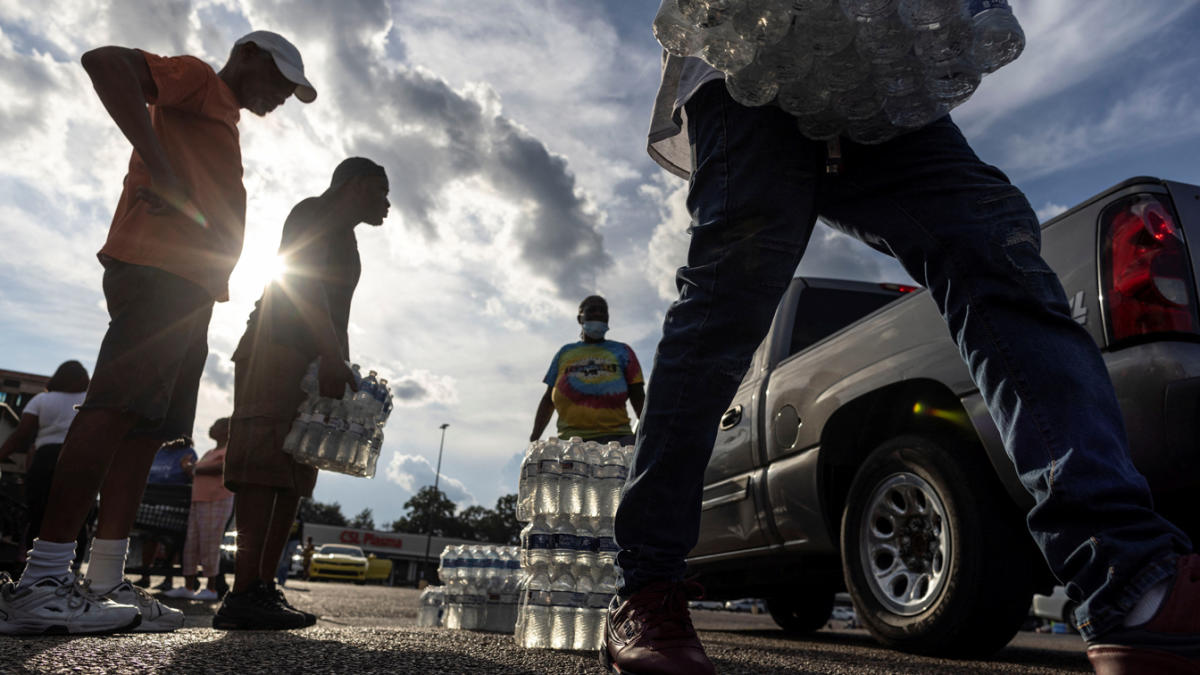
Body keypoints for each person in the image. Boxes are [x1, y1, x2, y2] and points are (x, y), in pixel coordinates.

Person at [600, 33, 1199, 675]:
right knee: (725, 301)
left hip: (875, 72)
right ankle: (647, 585)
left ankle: (1129, 581)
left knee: (994, 248)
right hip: (745, 59)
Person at [0, 29, 317, 636]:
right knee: (113, 411)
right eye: (278, 79)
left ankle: (104, 578)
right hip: (158, 275)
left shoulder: (222, 112)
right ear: (246, 55)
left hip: (189, 290)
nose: (281, 96)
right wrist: (163, 169)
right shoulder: (200, 78)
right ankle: (42, 579)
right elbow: (105, 62)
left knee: (146, 432)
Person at [213, 157, 390, 631]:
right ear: (353, 186)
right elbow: (304, 286)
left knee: (295, 470)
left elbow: (336, 311)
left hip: (313, 361)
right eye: (380, 190)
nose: (387, 204)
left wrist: (342, 368)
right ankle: (242, 590)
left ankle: (264, 586)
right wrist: (331, 356)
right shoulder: (313, 212)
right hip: (277, 346)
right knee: (262, 464)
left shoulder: (347, 238)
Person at [0, 361, 92, 572]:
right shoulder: (89, 399)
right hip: (81, 456)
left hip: (46, 457)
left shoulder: (42, 399)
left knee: (39, 513)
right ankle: (72, 566)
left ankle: (34, 566)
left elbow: (21, 435)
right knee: (77, 513)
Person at [530, 295, 645, 445]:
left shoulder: (623, 351)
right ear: (580, 318)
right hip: (570, 443)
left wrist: (647, 436)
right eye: (592, 310)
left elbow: (639, 398)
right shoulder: (565, 353)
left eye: (603, 312)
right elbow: (547, 400)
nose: (598, 314)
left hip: (617, 441)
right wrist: (534, 437)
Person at [164, 418, 234, 601]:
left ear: (227, 430)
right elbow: (197, 470)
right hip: (199, 500)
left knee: (210, 544)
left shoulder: (230, 451)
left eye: (218, 425)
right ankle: (188, 585)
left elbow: (219, 468)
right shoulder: (210, 452)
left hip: (216, 500)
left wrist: (193, 468)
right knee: (191, 544)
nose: (212, 427)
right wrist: (188, 467)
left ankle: (211, 588)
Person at [133, 437, 196, 591]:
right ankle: (145, 574)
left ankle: (168, 577)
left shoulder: (188, 452)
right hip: (150, 503)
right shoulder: (158, 451)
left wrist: (188, 469)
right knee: (148, 536)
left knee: (170, 537)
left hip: (174, 505)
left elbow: (192, 476)